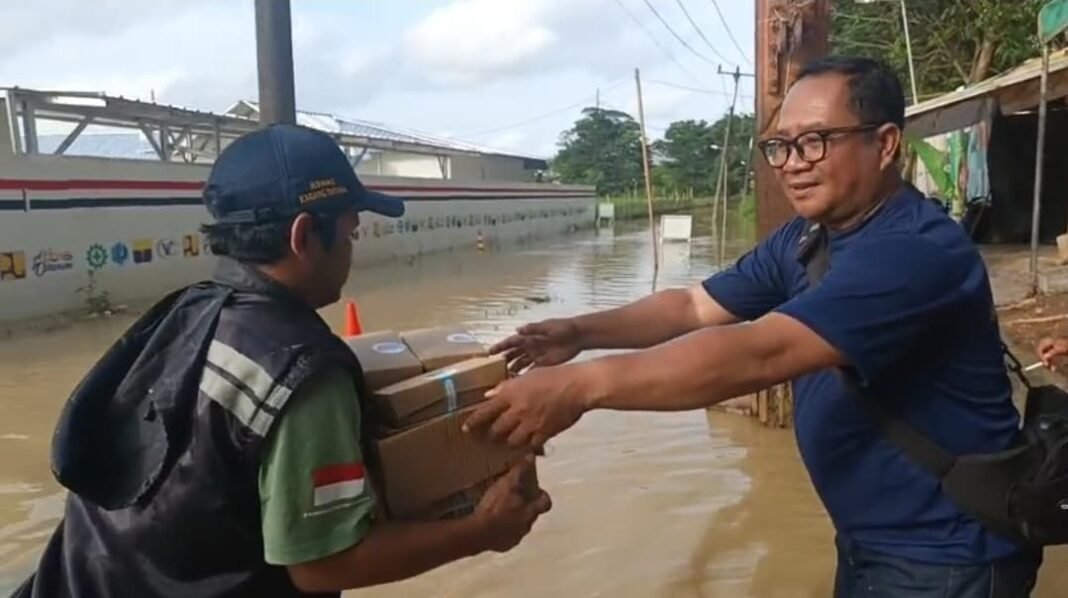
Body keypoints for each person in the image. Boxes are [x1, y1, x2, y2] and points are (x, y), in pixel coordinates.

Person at [463, 56, 1041, 597]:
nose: (792, 163)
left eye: (815, 141)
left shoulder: (912, 252)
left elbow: (759, 353)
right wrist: (579, 333)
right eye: (780, 146)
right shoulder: (807, 239)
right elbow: (691, 306)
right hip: (874, 540)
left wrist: (581, 386)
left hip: (948, 554)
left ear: (885, 143)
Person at [14, 124, 550, 598]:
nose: (352, 250)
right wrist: (484, 531)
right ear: (303, 236)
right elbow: (321, 564)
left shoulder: (186, 312)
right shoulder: (303, 372)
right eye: (350, 232)